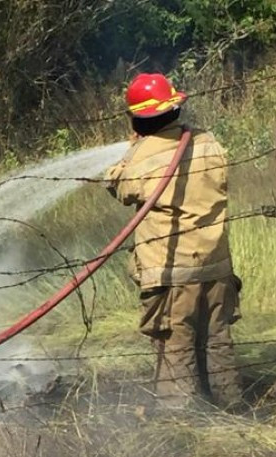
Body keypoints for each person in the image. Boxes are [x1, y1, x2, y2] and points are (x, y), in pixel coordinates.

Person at [104, 73, 243, 412]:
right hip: (216, 267)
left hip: (171, 274)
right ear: (176, 108)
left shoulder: (140, 157)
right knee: (217, 342)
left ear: (137, 120)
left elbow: (118, 186)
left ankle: (181, 422)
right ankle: (232, 408)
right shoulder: (208, 142)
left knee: (174, 347)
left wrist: (132, 150)